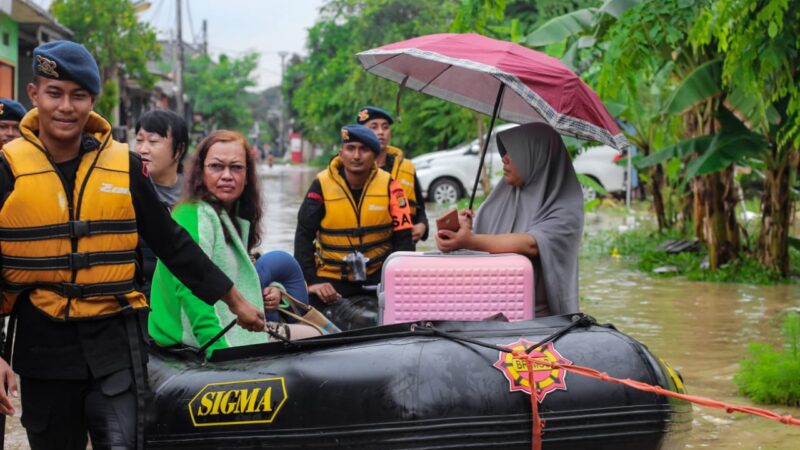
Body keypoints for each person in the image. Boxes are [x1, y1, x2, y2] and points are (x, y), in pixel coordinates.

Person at [0, 40, 264, 450]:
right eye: (55, 93)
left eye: (79, 96)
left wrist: (235, 300)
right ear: (34, 94)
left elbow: (173, 243)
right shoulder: (7, 172)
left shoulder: (122, 167)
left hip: (115, 349)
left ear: (93, 101)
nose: (66, 107)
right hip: (43, 352)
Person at [149, 130, 316, 357]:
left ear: (247, 176)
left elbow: (235, 283)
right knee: (312, 339)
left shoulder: (232, 219)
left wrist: (276, 293)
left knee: (313, 335)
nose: (227, 175)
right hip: (198, 341)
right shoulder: (193, 214)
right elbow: (191, 290)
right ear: (200, 172)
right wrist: (219, 353)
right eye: (217, 167)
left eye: (236, 168)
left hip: (236, 332)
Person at [435, 123, 583, 317]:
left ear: (536, 156)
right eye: (504, 151)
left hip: (540, 319)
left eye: (513, 152)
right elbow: (480, 240)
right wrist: (458, 233)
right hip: (487, 311)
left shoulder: (565, 207)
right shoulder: (503, 197)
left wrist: (470, 240)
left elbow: (531, 244)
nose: (504, 158)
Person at [294, 125, 413, 326]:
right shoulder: (321, 185)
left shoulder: (391, 186)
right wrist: (313, 283)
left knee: (379, 320)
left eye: (364, 149)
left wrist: (399, 284)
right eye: (351, 148)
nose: (356, 156)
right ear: (341, 153)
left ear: (375, 155)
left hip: (376, 282)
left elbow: (404, 240)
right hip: (330, 284)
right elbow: (303, 237)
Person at [133, 109, 189, 297]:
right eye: (139, 140)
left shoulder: (196, 195)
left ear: (179, 150)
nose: (143, 149)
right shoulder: (126, 190)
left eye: (153, 141)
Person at [357, 106, 429, 245]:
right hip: (370, 251)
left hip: (403, 249)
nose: (380, 132)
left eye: (385, 127)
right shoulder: (354, 170)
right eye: (374, 127)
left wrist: (422, 225)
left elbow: (419, 207)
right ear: (361, 133)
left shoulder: (406, 167)